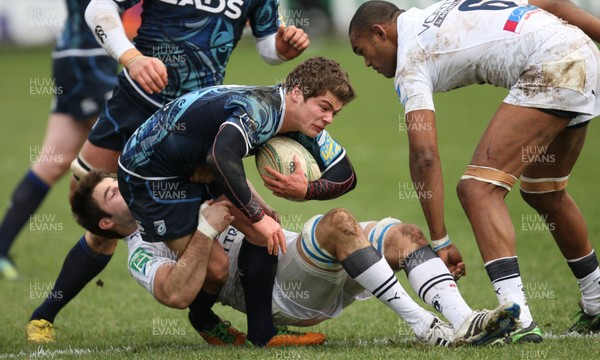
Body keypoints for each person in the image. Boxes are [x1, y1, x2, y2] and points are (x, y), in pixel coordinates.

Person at [26, 0, 310, 344]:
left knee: (260, 219)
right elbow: (97, 8)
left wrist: (280, 48)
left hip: (192, 121)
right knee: (98, 218)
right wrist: (131, 58)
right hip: (136, 105)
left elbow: (267, 45)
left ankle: (227, 322)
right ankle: (43, 316)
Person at [348, 0, 600, 344]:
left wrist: (440, 241)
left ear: (381, 33)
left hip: (554, 64)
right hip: (581, 54)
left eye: (363, 51)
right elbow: (550, 2)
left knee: (477, 189)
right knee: (545, 190)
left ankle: (519, 319)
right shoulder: (441, 10)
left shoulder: (411, 57)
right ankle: (597, 302)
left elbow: (423, 155)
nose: (366, 63)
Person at [72, 169, 521, 347]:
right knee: (338, 221)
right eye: (112, 191)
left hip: (296, 256)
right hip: (281, 292)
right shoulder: (140, 251)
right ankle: (424, 327)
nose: (123, 186)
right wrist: (208, 228)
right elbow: (181, 290)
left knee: (404, 234)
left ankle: (464, 320)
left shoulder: (170, 191)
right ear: (106, 223)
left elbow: (261, 211)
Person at [116, 56, 358, 345]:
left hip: (200, 162)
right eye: (324, 107)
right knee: (217, 268)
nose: (329, 119)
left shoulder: (298, 118)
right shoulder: (260, 110)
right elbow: (221, 155)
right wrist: (256, 213)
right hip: (149, 176)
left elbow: (347, 174)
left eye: (335, 113)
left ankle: (262, 334)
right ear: (297, 92)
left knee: (265, 234)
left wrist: (308, 190)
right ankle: (203, 318)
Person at [0, 0, 118, 281]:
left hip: (76, 54)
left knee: (52, 161)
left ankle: (1, 248)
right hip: (89, 59)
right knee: (129, 152)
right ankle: (165, 253)